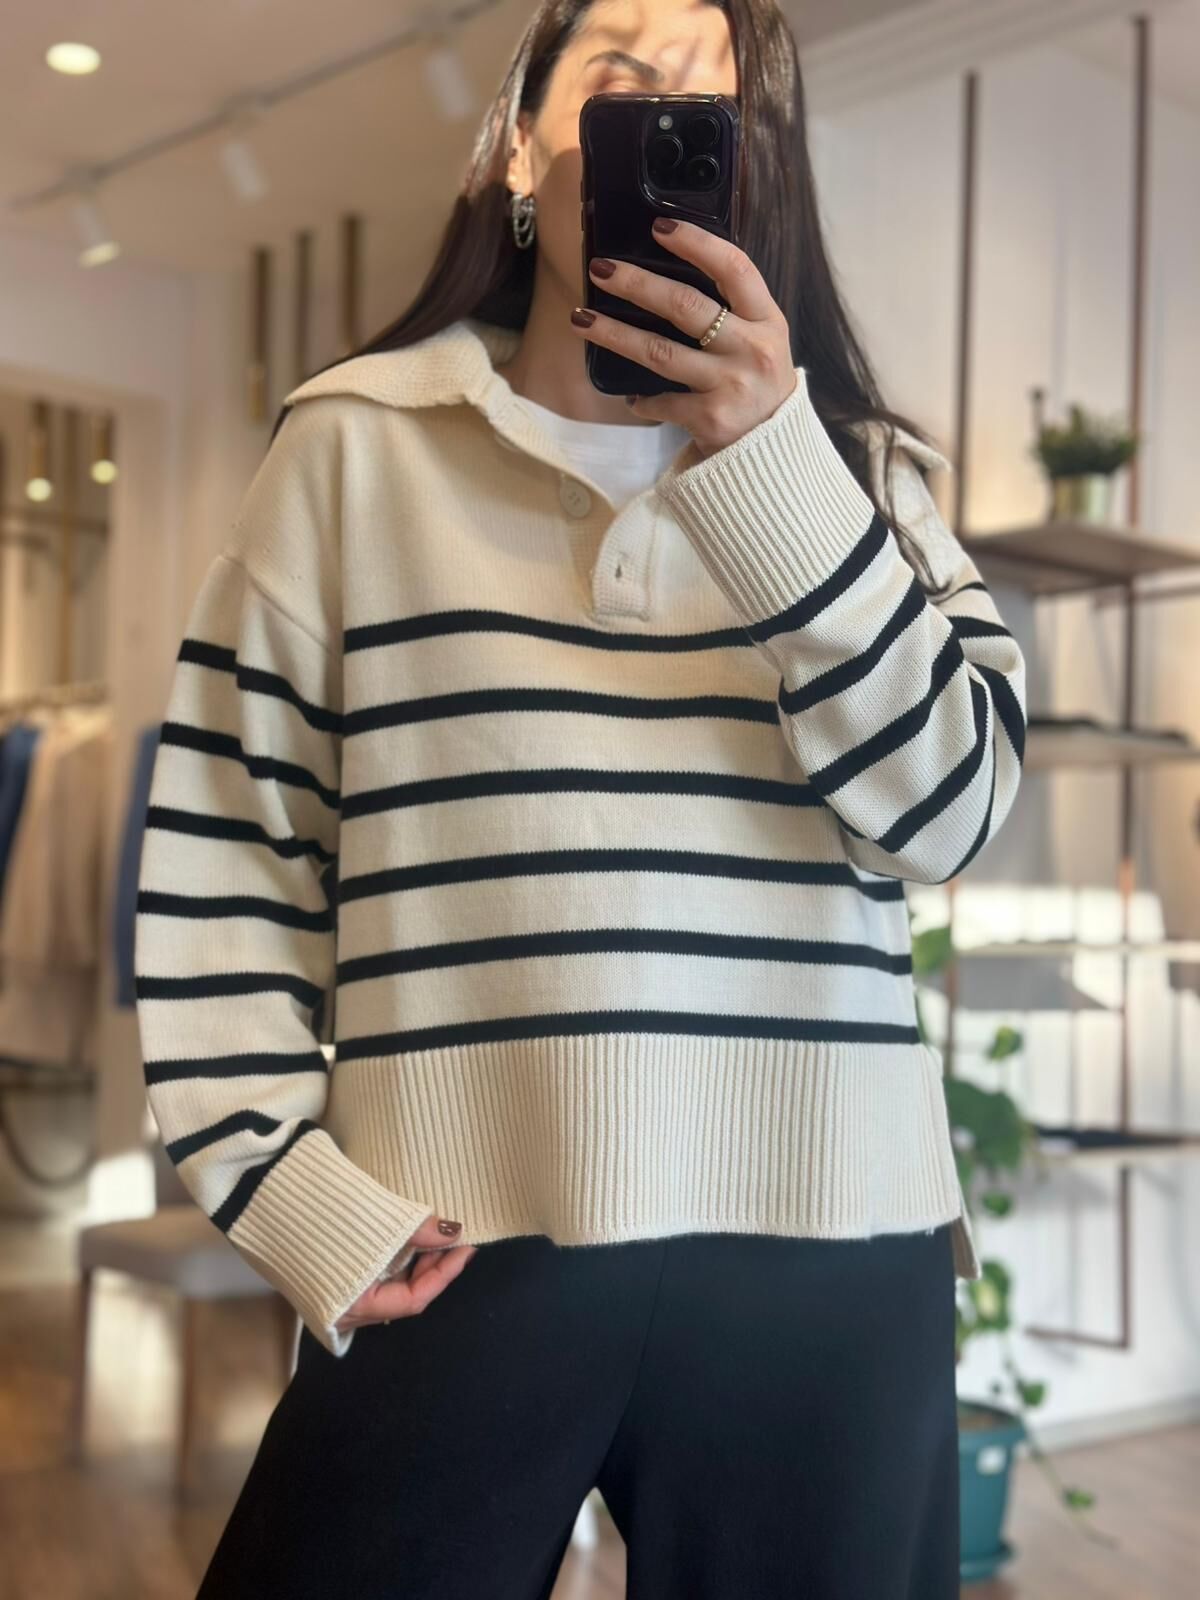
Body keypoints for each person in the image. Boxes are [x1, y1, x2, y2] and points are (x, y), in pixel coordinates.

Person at [132, 1, 1027, 1595]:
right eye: (622, 78)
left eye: (718, 108)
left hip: (828, 1233)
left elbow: (950, 812)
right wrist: (285, 1185)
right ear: (521, 150)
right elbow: (224, 857)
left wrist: (773, 466)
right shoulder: (352, 449)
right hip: (448, 1226)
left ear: (755, 180)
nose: (669, 116)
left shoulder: (868, 479)